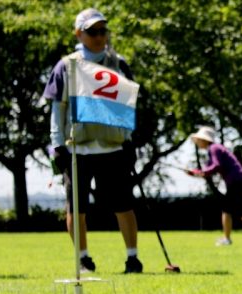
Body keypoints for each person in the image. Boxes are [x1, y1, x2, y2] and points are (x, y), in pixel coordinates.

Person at [43, 8, 143, 274]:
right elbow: (58, 108)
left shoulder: (118, 63)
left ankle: (132, 258)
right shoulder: (67, 66)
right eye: (92, 31)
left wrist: (129, 140)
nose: (99, 36)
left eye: (102, 31)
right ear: (79, 33)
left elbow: (126, 107)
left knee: (123, 204)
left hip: (113, 146)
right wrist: (57, 145)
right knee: (76, 208)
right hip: (78, 148)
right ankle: (83, 259)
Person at [188, 126, 242, 246]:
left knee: (227, 210)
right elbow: (208, 170)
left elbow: (216, 166)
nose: (197, 142)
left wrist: (202, 172)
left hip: (235, 181)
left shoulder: (214, 148)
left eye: (199, 140)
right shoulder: (215, 149)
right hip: (240, 180)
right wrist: (195, 173)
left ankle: (227, 239)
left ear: (205, 140)